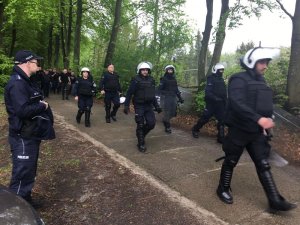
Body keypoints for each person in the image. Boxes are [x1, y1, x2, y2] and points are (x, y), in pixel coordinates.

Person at [216, 47, 296, 211]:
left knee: (263, 164)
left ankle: (275, 201)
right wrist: (258, 119)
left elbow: (263, 105)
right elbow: (237, 104)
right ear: (251, 62)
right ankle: (222, 188)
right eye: (262, 62)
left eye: (266, 62)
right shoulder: (238, 79)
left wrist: (268, 119)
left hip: (257, 133)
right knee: (231, 160)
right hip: (239, 129)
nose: (265, 66)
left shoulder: (262, 81)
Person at [4, 50, 55, 206]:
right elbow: (22, 110)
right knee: (22, 173)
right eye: (35, 62)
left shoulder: (27, 81)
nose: (38, 65)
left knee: (29, 171)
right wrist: (42, 105)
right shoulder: (17, 83)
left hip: (31, 133)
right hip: (22, 137)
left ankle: (25, 203)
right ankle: (15, 211)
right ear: (27, 63)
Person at [123, 62, 162, 152]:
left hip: (149, 105)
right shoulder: (135, 80)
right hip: (139, 105)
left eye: (146, 70)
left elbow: (153, 95)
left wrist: (157, 106)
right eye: (143, 70)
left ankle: (141, 135)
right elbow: (129, 93)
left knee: (151, 124)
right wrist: (126, 105)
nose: (145, 71)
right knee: (140, 124)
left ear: (148, 71)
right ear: (139, 70)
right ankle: (141, 143)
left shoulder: (151, 80)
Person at [192, 63, 227, 143]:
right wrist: (215, 98)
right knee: (205, 118)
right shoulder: (210, 79)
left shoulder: (221, 80)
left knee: (222, 120)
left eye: (222, 70)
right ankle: (195, 129)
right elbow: (208, 92)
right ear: (215, 70)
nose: (221, 72)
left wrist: (226, 102)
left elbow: (224, 93)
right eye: (220, 70)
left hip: (220, 104)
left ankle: (220, 137)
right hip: (211, 104)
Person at [158, 65, 184, 133]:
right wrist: (166, 93)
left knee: (173, 113)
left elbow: (176, 89)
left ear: (173, 71)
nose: (170, 71)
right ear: (166, 71)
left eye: (171, 70)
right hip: (165, 98)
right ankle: (167, 126)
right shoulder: (163, 79)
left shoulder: (174, 79)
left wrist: (180, 98)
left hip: (173, 98)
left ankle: (165, 120)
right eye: (169, 70)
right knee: (167, 113)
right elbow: (159, 90)